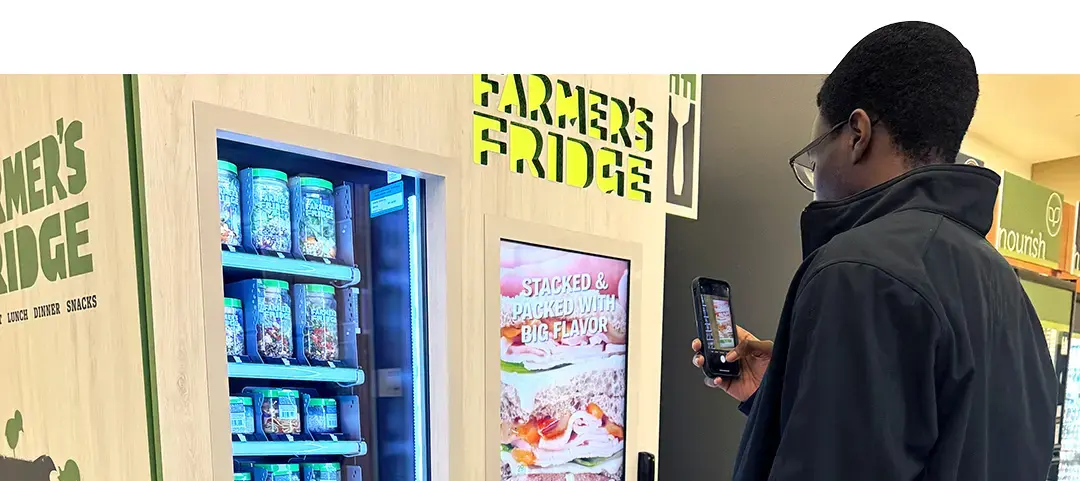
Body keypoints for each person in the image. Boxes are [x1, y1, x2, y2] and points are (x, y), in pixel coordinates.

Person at [691, 21, 1057, 481]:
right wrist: (777, 396)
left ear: (857, 134)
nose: (816, 179)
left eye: (815, 154)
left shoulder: (858, 272)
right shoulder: (1000, 281)